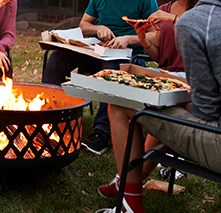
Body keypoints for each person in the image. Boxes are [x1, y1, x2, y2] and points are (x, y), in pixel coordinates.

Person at [95, 0, 221, 212]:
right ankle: (124, 184)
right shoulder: (165, 10)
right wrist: (143, 40)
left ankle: (130, 202)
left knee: (120, 104)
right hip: (177, 84)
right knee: (163, 112)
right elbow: (160, 54)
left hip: (214, 136)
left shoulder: (196, 20)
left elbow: (206, 110)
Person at [42, 0, 159, 156]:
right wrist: (98, 28)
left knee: (110, 68)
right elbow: (84, 25)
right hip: (99, 52)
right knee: (57, 58)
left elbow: (154, 34)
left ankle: (101, 133)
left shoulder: (145, 1)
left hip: (130, 58)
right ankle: (49, 119)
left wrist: (127, 39)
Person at [126, 0, 197, 79]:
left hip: (193, 75)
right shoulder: (164, 9)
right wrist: (143, 39)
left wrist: (175, 19)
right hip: (165, 72)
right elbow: (159, 58)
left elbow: (203, 32)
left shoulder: (205, 10)